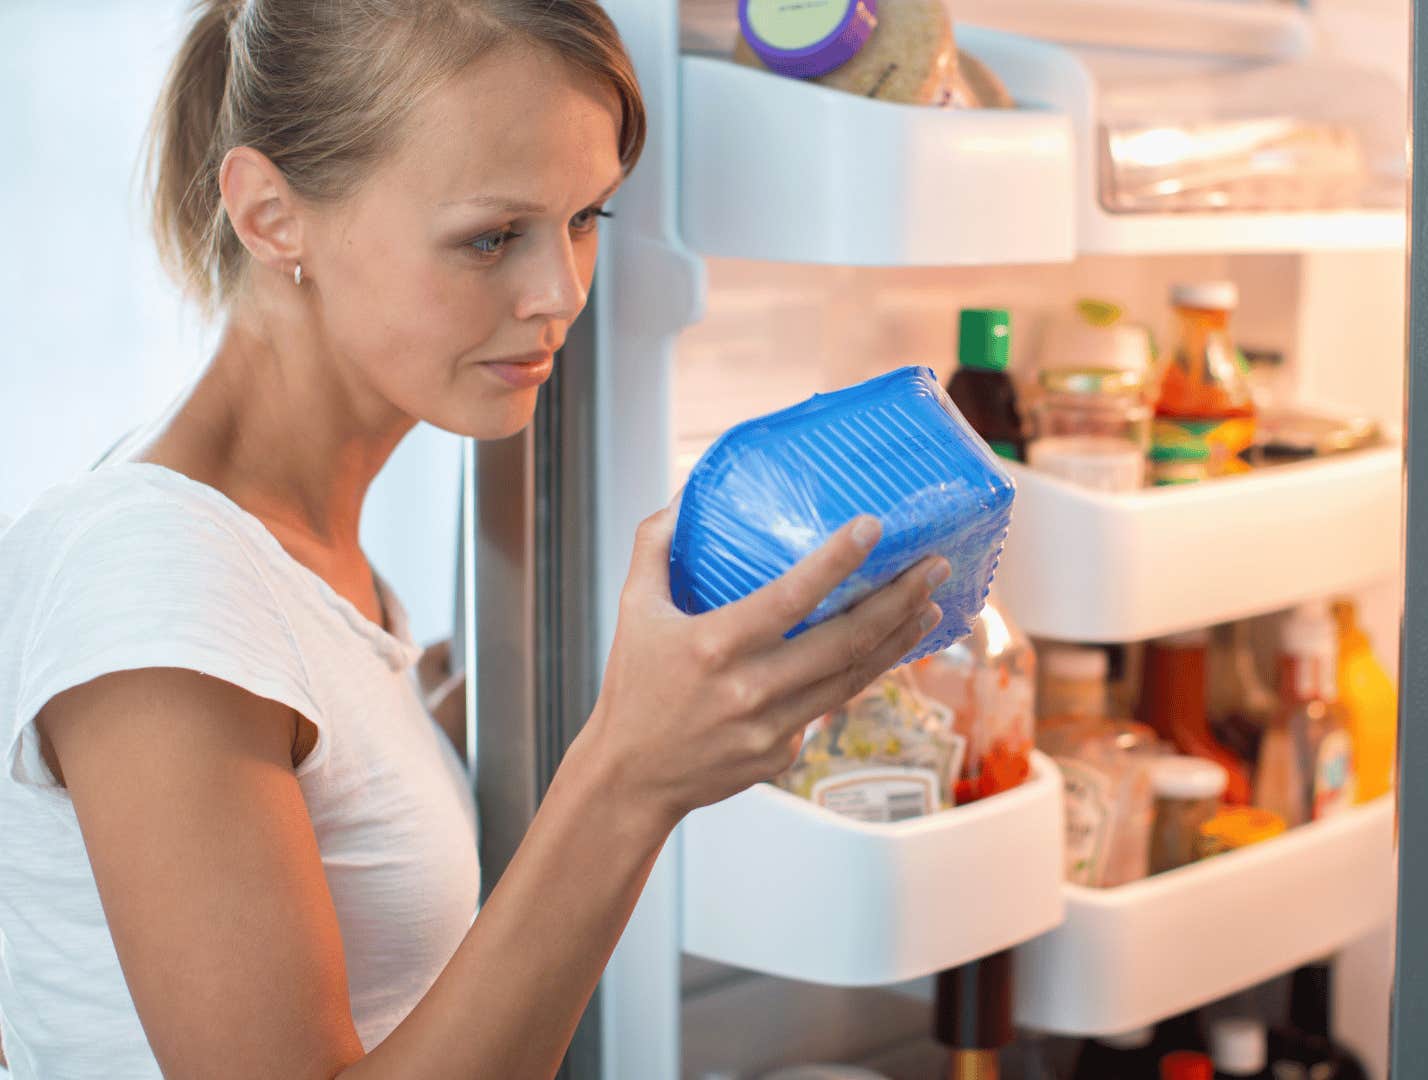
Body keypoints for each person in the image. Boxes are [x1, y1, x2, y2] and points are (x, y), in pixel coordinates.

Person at [0, 3, 948, 1077]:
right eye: (492, 238)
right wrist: (631, 777)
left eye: (588, 217)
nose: (561, 293)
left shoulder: (297, 556)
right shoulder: (150, 576)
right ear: (271, 216)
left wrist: (445, 728)